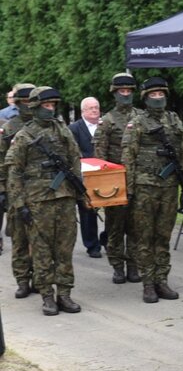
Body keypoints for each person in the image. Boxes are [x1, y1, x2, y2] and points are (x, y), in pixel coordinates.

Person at [5, 86, 83, 315]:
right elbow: (14, 172)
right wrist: (20, 205)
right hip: (38, 201)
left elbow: (74, 159)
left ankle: (65, 294)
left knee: (65, 249)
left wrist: (79, 191)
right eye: (46, 106)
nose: (50, 110)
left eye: (53, 106)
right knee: (41, 251)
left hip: (64, 198)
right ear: (35, 107)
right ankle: (47, 296)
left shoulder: (63, 130)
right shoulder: (23, 135)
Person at [121, 77, 183, 304]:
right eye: (154, 95)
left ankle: (162, 279)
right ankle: (148, 283)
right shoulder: (137, 122)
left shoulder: (174, 120)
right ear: (145, 98)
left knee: (163, 236)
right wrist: (129, 191)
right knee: (144, 236)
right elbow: (128, 156)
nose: (158, 98)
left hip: (169, 187)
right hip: (144, 188)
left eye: (161, 94)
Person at [93, 73, 143, 285]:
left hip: (139, 180)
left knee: (135, 227)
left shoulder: (141, 117)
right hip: (114, 182)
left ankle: (133, 265)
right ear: (115, 93)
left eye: (129, 91)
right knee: (115, 227)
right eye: (122, 91)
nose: (126, 94)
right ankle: (117, 266)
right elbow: (99, 155)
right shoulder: (107, 121)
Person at [0, 83, 36, 298]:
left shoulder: (48, 124)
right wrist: (3, 190)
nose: (28, 106)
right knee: (20, 240)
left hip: (42, 192)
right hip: (16, 192)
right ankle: (23, 280)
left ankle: (41, 278)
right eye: (24, 102)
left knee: (41, 242)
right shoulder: (9, 128)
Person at [68, 96, 103, 258]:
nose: (95, 110)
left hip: (106, 173)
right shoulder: (74, 128)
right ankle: (92, 245)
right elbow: (72, 153)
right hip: (85, 175)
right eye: (91, 108)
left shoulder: (105, 125)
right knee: (87, 209)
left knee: (116, 207)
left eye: (96, 107)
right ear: (83, 111)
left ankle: (108, 239)